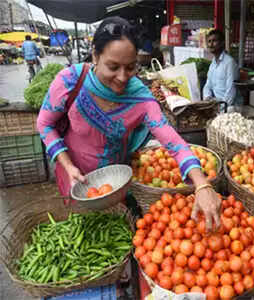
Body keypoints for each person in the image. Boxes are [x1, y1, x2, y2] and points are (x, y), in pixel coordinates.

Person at [37, 17, 221, 231]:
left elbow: (173, 141)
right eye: (113, 67)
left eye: (131, 67)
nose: (122, 77)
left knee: (114, 235)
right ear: (96, 55)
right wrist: (68, 166)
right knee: (79, 231)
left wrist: (202, 183)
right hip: (74, 179)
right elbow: (45, 125)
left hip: (116, 185)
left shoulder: (140, 99)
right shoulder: (70, 81)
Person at [203, 29, 242, 107]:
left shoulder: (229, 62)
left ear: (222, 43)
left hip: (231, 106)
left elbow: (231, 91)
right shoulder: (213, 64)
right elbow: (207, 85)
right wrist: (207, 98)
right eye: (209, 41)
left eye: (214, 41)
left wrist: (221, 107)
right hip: (217, 104)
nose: (211, 44)